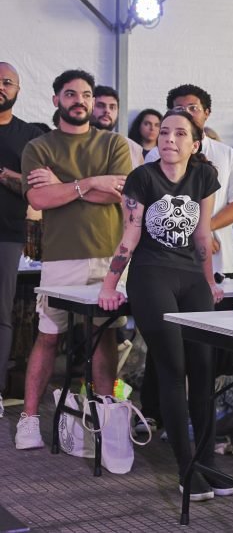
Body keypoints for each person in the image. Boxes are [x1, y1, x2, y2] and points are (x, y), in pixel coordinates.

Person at [96, 110, 233, 500]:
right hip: (152, 276)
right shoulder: (143, 177)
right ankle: (186, 469)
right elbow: (130, 235)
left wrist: (209, 281)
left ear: (195, 144)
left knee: (204, 371)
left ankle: (207, 463)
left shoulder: (205, 176)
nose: (169, 139)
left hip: (192, 277)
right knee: (174, 371)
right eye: (164, 132)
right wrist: (110, 284)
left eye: (180, 134)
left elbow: (204, 233)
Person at [16, 69, 132, 450]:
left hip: (108, 256)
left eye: (86, 94)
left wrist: (67, 186)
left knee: (104, 337)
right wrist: (90, 183)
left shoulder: (114, 143)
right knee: (49, 337)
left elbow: (118, 194)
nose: (79, 100)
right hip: (61, 257)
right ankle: (29, 418)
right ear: (56, 101)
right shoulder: (39, 146)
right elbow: (39, 200)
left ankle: (104, 415)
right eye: (70, 94)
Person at [145, 84, 233, 278]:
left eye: (193, 108)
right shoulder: (155, 155)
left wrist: (205, 229)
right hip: (168, 258)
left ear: (207, 113)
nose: (187, 114)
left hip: (219, 258)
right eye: (179, 109)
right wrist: (197, 233)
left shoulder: (226, 153)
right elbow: (152, 205)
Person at [0, 62, 42, 411]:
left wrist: (3, 173)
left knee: (1, 313)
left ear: (17, 90)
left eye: (7, 82)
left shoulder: (28, 135)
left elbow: (36, 190)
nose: (1, 86)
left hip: (7, 234)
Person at [92, 85, 144, 167]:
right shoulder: (75, 140)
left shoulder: (133, 148)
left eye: (112, 107)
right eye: (100, 106)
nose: (107, 111)